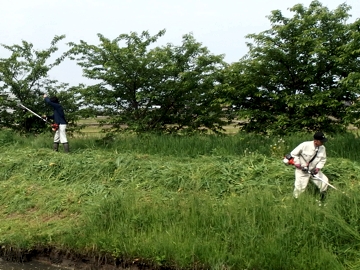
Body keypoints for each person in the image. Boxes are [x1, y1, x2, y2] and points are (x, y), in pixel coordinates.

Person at [290, 132, 329, 200]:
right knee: (300, 188)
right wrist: (297, 163)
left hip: (313, 170)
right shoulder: (305, 145)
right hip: (302, 171)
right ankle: (296, 202)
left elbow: (323, 159)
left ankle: (322, 200)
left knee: (324, 181)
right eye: (321, 141)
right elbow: (293, 154)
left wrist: (317, 168)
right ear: (315, 141)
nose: (323, 143)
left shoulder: (322, 148)